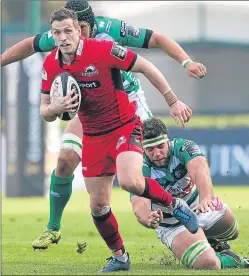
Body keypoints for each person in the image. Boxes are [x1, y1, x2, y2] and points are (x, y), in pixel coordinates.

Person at [1, 0, 206, 250]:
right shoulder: (59, 38)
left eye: (79, 28)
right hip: (84, 105)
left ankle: (166, 212)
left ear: (87, 25)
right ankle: (53, 228)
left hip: (126, 102)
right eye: (61, 31)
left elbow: (158, 41)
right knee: (65, 160)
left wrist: (185, 65)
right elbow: (30, 45)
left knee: (136, 173)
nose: (70, 36)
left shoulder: (111, 32)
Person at [130, 117, 249, 270]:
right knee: (209, 264)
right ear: (143, 148)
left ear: (167, 140)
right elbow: (138, 203)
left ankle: (210, 241)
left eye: (160, 146)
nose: (157, 153)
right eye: (150, 149)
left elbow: (200, 171)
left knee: (232, 231)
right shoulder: (139, 165)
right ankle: (233, 260)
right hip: (170, 223)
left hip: (197, 207)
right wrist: (148, 217)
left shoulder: (183, 147)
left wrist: (206, 198)